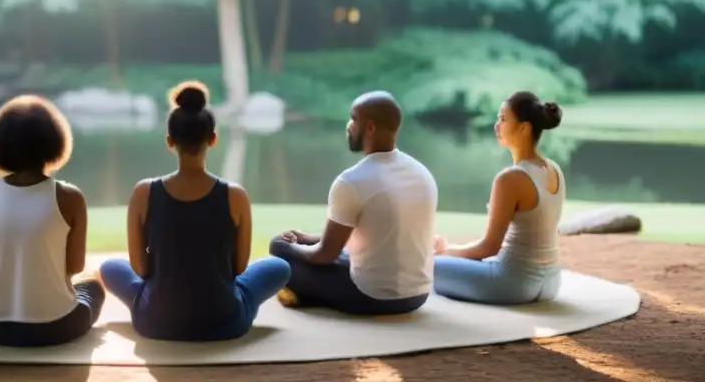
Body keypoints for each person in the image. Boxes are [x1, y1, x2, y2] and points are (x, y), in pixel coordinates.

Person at [98, 81, 291, 341]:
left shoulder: (143, 192)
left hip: (156, 322)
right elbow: (237, 268)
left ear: (170, 141)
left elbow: (142, 271)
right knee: (279, 266)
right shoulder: (235, 195)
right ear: (212, 139)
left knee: (111, 267)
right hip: (225, 322)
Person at [269, 90, 437, 316]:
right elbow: (371, 235)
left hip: (373, 298)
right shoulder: (421, 172)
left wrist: (290, 246)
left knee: (279, 250)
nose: (348, 125)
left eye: (353, 118)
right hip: (418, 295)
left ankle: (307, 292)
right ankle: (309, 294)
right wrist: (306, 238)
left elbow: (324, 256)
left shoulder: (351, 181)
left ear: (369, 127)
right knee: (331, 253)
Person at [0, 95, 104, 347]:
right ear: (54, 142)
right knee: (94, 285)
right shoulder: (69, 197)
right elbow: (75, 266)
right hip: (53, 328)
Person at [432, 91, 566, 305]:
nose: (496, 126)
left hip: (513, 283)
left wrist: (444, 251)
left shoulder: (511, 178)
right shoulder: (554, 169)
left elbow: (489, 248)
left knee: (425, 265)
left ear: (524, 128)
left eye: (503, 119)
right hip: (551, 282)